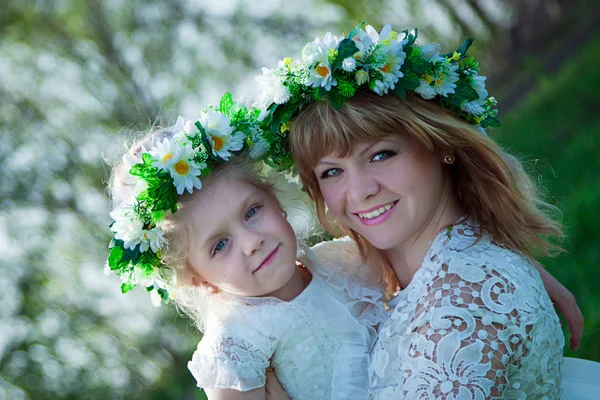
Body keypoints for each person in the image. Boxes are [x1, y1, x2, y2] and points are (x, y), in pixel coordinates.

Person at [254, 23, 599, 398]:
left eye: (381, 154)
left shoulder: (462, 307)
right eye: (332, 172)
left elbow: (469, 296)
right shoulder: (399, 274)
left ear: (440, 145)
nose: (360, 191)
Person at [105, 95, 387, 400]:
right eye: (220, 245)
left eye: (252, 212)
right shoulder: (235, 348)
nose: (253, 243)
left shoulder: (347, 260)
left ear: (277, 203)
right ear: (196, 278)